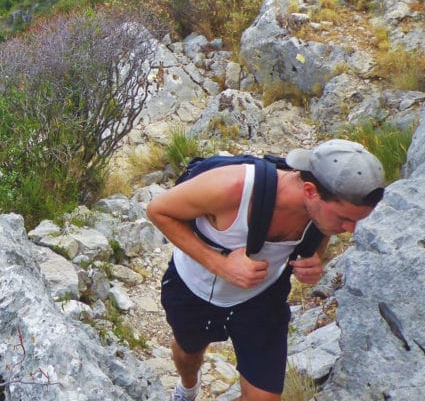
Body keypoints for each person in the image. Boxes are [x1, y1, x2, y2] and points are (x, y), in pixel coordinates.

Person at [146, 139, 386, 401]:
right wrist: (222, 266)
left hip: (262, 299)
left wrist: (315, 262)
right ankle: (188, 388)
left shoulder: (323, 214)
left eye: (357, 221)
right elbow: (158, 210)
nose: (350, 230)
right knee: (188, 354)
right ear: (310, 190)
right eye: (344, 219)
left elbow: (317, 243)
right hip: (194, 288)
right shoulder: (234, 187)